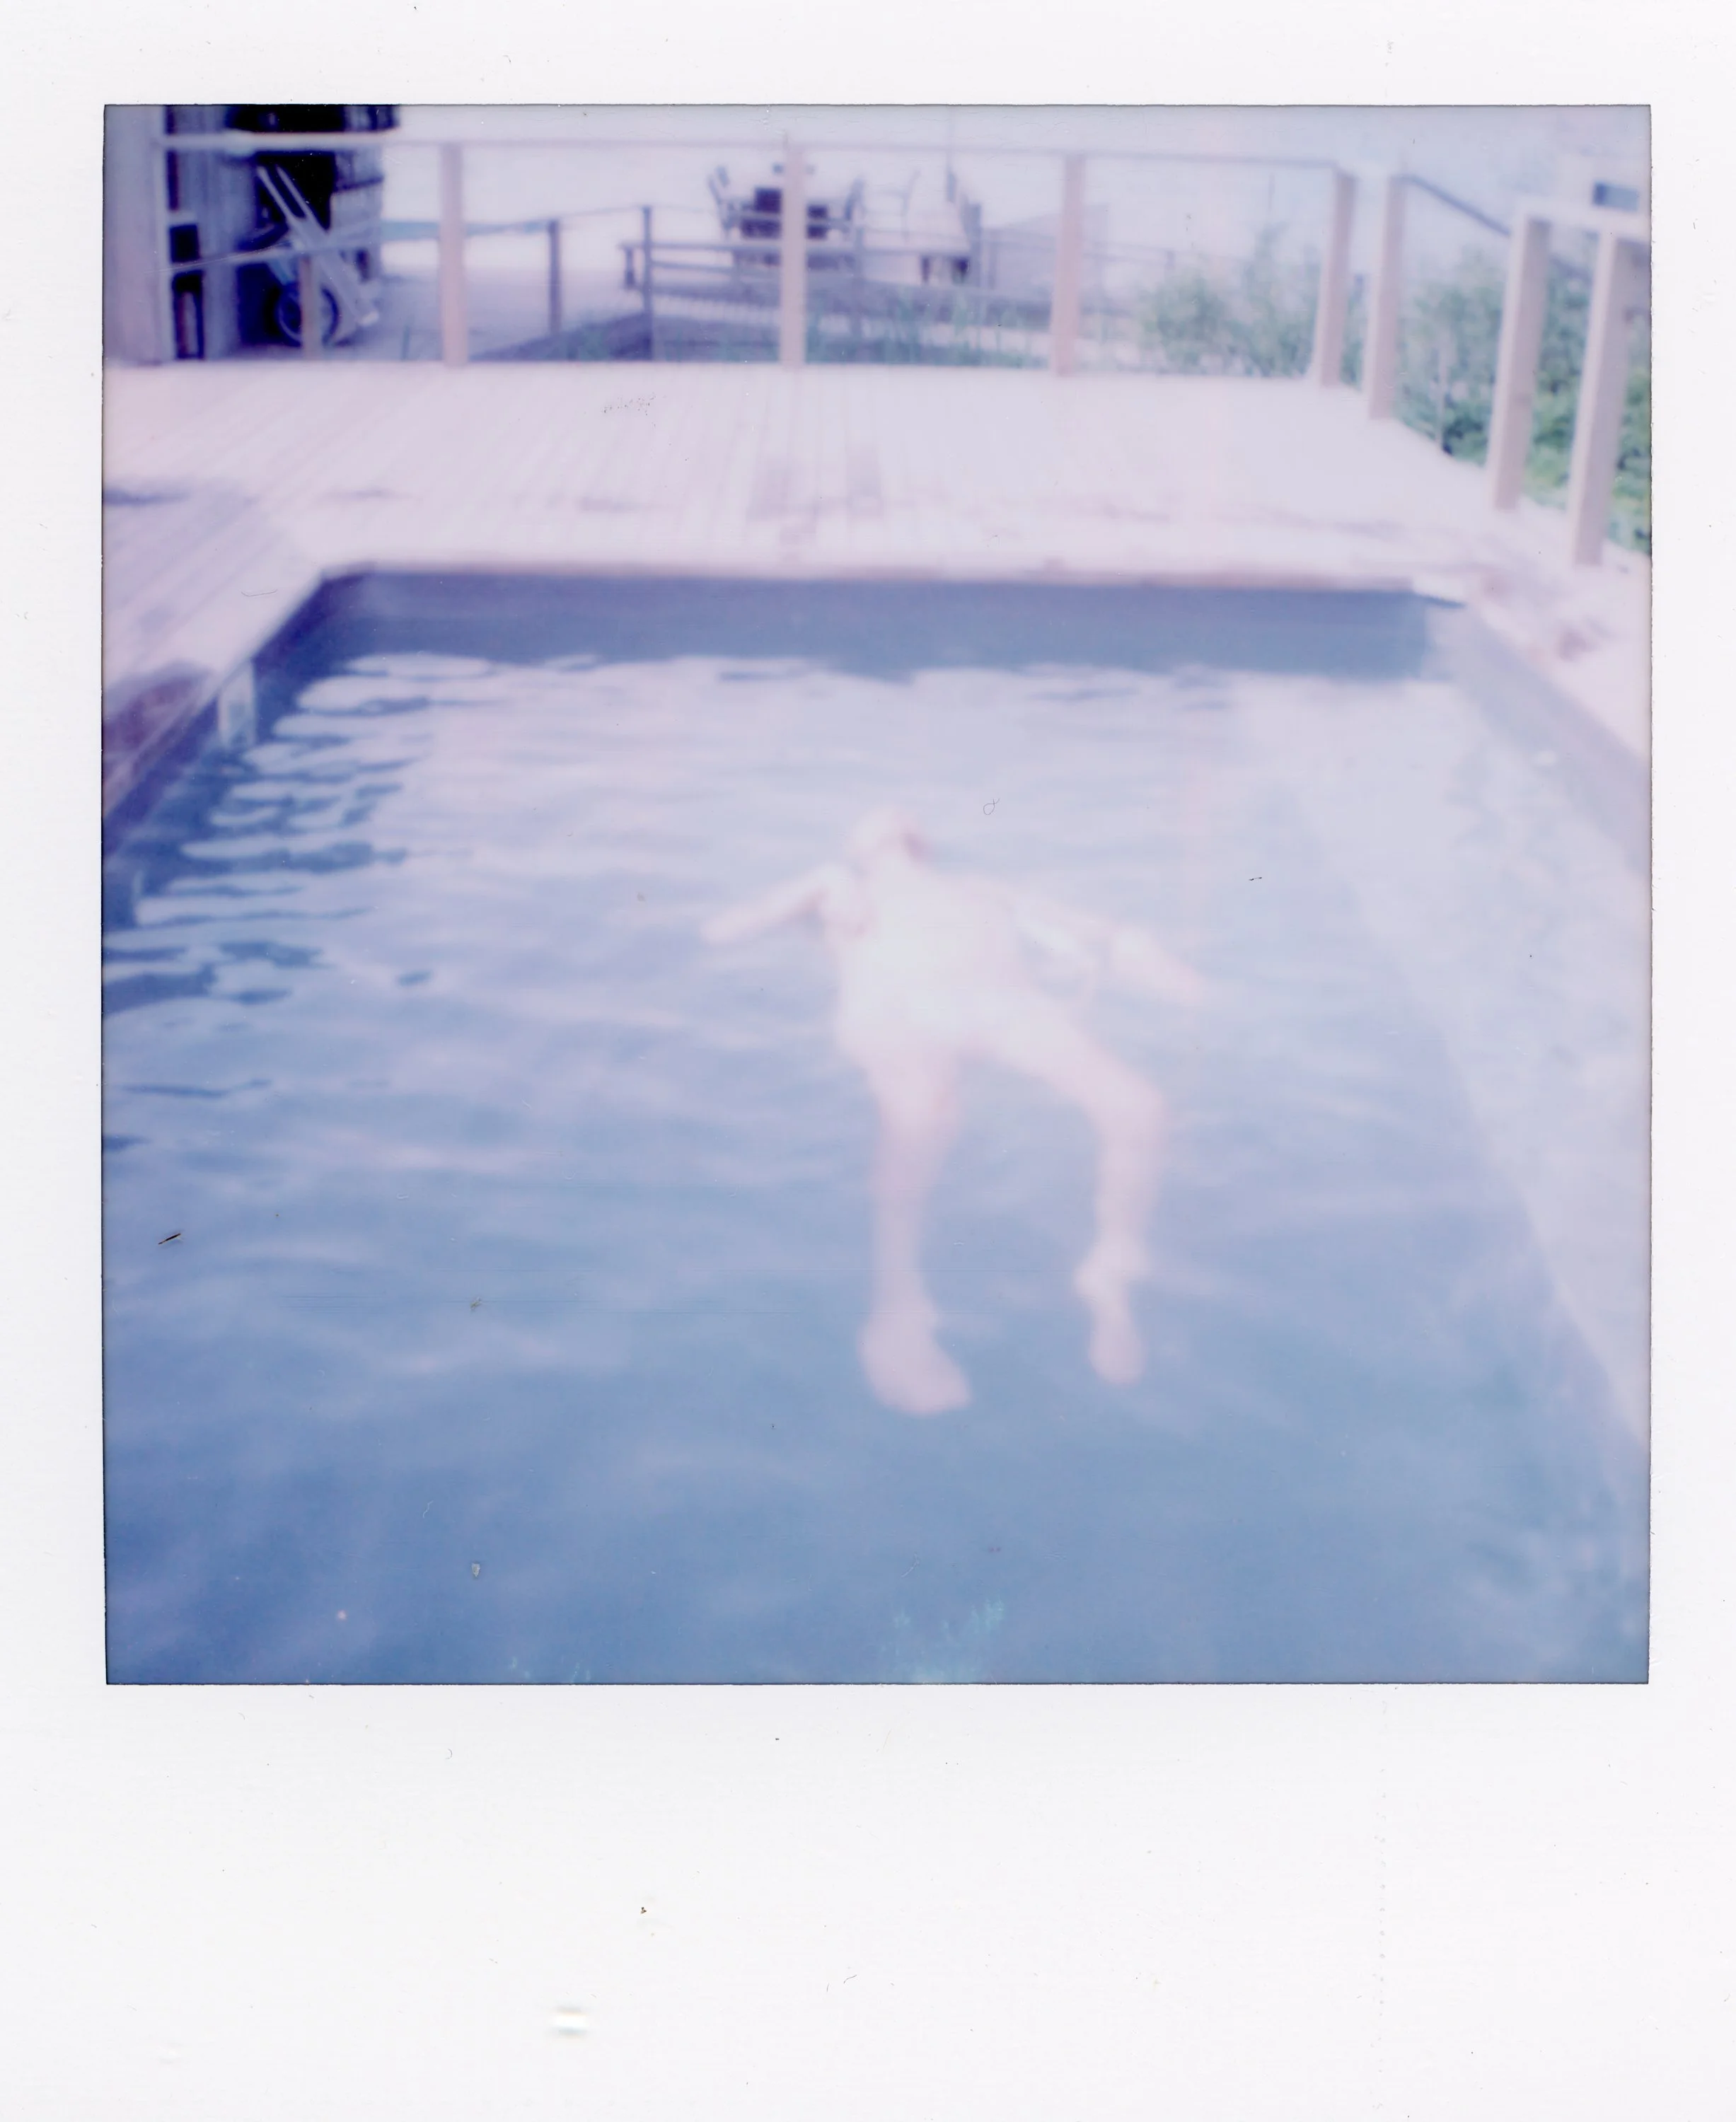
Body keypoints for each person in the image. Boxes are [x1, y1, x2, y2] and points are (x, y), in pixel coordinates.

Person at [703, 809, 1203, 1416]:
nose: (883, 830)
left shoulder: (979, 889)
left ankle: (1113, 1265)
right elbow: (722, 931)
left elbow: (1094, 931)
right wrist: (813, 885)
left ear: (921, 842)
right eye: (871, 827)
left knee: (1139, 1107)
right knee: (923, 1125)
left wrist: (1137, 949)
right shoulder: (837, 893)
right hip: (901, 1013)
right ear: (857, 849)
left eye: (893, 823)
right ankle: (898, 1307)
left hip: (1003, 1004)